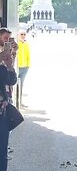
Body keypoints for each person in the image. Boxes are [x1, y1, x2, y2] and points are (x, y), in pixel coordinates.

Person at [0, 28, 18, 171]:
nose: (6, 41)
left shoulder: (4, 62)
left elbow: (11, 81)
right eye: (4, 38)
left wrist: (10, 63)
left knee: (2, 148)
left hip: (2, 107)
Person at [16, 30, 30, 108]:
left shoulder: (26, 44)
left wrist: (28, 65)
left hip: (25, 67)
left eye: (24, 34)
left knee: (21, 85)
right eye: (21, 34)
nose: (23, 36)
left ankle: (20, 102)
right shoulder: (16, 43)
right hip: (18, 67)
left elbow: (28, 54)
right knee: (15, 85)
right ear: (18, 35)